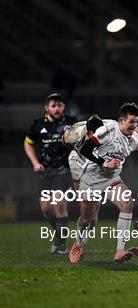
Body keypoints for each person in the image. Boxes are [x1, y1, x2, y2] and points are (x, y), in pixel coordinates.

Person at [62, 114, 138, 255]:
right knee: (88, 216)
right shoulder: (75, 133)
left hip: (106, 173)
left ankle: (120, 250)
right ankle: (79, 242)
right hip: (79, 165)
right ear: (89, 133)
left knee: (125, 203)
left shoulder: (110, 126)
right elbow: (64, 141)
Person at [23, 93, 78, 254]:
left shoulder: (71, 123)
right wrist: (35, 163)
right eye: (53, 105)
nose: (57, 108)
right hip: (45, 172)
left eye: (60, 105)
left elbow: (84, 140)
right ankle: (59, 234)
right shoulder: (38, 125)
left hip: (65, 170)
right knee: (46, 208)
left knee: (59, 201)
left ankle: (61, 244)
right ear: (46, 108)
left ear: (64, 107)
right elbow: (28, 143)